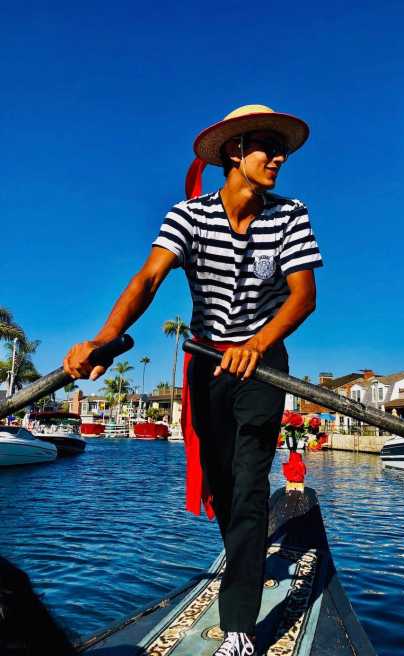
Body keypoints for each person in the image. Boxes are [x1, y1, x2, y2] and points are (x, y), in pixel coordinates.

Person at [64, 104, 322, 656]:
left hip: (263, 363)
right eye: (265, 146)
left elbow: (303, 296)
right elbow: (148, 278)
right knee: (225, 488)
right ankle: (243, 557)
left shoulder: (291, 214)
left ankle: (238, 626)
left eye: (281, 149)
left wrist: (255, 345)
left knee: (251, 484)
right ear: (234, 152)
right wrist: (104, 339)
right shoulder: (188, 216)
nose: (277, 157)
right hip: (207, 363)